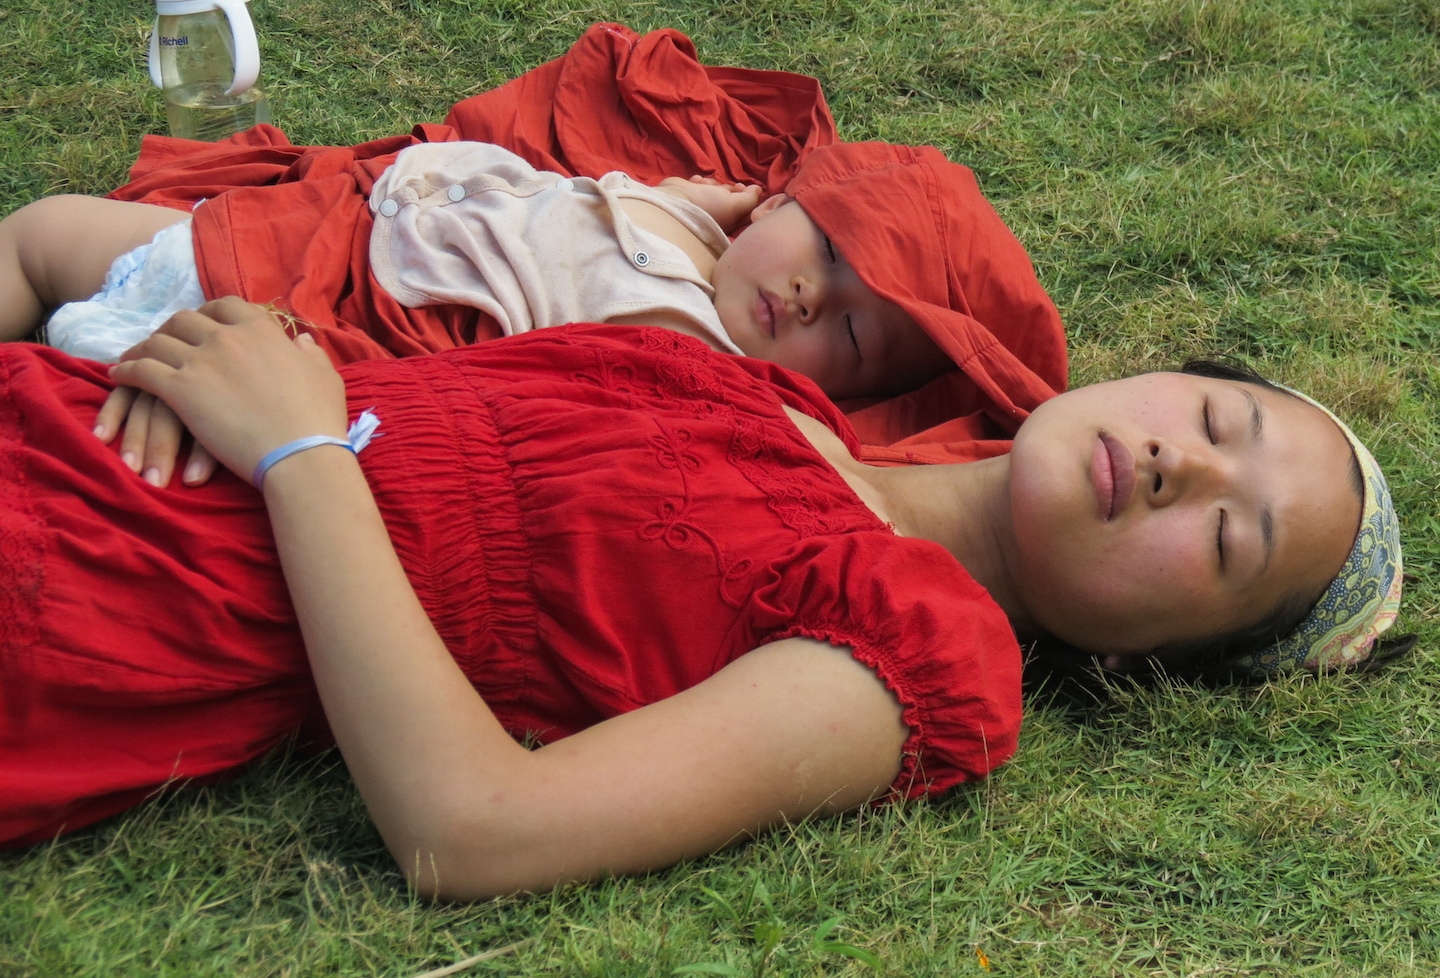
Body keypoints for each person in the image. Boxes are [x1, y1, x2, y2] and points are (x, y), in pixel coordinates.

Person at [0, 300, 1402, 900]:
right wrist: (264, 354)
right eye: (1219, 413)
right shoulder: (755, 384)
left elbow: (473, 831)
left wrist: (297, 451)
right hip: (69, 427)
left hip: (100, 601)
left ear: (1168, 657)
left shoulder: (918, 656)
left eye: (1229, 543)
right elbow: (426, 429)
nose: (1184, 464)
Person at [0, 140, 1063, 484]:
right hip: (319, 232)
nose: (804, 294)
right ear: (778, 196)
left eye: (851, 332)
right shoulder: (702, 231)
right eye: (827, 250)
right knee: (45, 233)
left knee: (78, 379)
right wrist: (707, 207)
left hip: (326, 307)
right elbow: (631, 211)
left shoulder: (689, 351)